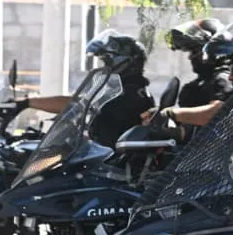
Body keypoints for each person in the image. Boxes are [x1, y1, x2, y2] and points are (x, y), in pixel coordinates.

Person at [19, 30, 154, 148]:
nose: (105, 67)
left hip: (106, 169)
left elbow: (78, 105)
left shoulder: (129, 94)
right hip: (100, 158)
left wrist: (27, 103)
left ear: (127, 63)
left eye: (108, 62)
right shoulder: (124, 89)